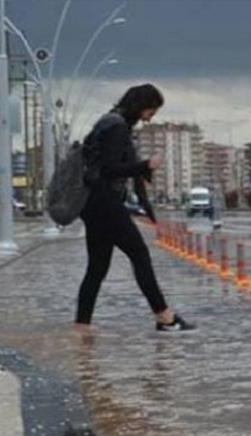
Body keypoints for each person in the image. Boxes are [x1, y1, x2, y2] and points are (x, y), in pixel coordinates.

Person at [75, 84, 195, 331]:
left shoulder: (111, 123)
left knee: (97, 267)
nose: (150, 117)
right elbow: (109, 169)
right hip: (104, 202)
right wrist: (145, 165)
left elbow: (116, 168)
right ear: (141, 106)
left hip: (93, 203)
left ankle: (81, 327)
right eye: (151, 110)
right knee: (139, 254)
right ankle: (164, 316)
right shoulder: (117, 127)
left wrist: (145, 199)